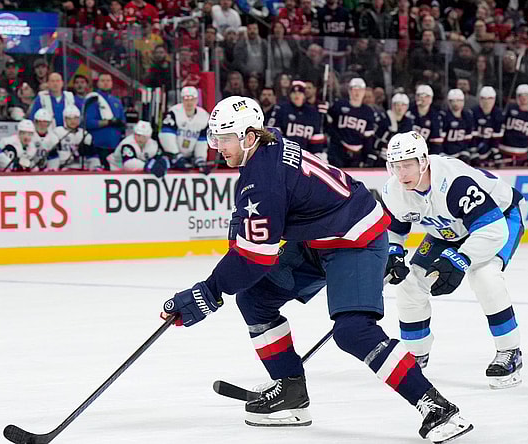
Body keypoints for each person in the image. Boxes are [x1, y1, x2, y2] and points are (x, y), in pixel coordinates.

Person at [161, 96, 473, 443]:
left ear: (249, 137)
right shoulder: (268, 144)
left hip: (355, 239)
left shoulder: (263, 177)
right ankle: (291, 393)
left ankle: (437, 407)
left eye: (224, 138)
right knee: (254, 299)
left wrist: (207, 293)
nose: (217, 146)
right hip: (320, 235)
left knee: (353, 331)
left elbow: (255, 258)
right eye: (214, 138)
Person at [382, 131, 524, 390]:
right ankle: (416, 354)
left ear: (423, 162)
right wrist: (393, 252)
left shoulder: (454, 182)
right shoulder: (394, 190)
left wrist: (460, 259)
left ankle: (510, 351)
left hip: (498, 219)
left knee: (484, 275)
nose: (401, 174)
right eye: (396, 166)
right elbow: (395, 229)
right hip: (447, 230)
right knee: (410, 282)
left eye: (407, 165)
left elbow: (492, 229)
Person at [326, 78, 380, 168]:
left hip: (357, 155)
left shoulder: (368, 112)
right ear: (350, 91)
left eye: (360, 90)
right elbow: (328, 124)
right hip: (337, 151)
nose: (357, 93)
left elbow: (368, 138)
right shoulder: (339, 105)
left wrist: (369, 154)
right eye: (355, 89)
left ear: (364, 92)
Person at [267, 81, 326, 156]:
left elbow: (316, 138)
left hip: (306, 156)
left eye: (300, 93)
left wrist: (317, 155)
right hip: (284, 154)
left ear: (304, 96)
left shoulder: (313, 112)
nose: (297, 95)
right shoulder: (281, 109)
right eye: (294, 93)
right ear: (290, 95)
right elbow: (272, 133)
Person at [159, 86, 210, 171]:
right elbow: (166, 136)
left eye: (192, 99)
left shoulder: (204, 116)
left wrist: (200, 159)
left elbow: (202, 141)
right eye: (186, 99)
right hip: (171, 156)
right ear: (182, 100)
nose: (189, 103)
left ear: (197, 100)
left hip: (189, 157)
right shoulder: (174, 112)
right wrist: (175, 155)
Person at [47, 105, 92, 171]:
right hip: (63, 169)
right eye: (69, 118)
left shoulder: (85, 134)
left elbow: (92, 155)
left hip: (82, 169)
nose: (72, 121)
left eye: (75, 118)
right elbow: (52, 154)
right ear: (65, 119)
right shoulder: (57, 132)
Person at [439, 89, 476, 163]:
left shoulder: (468, 116)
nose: (455, 103)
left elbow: (469, 139)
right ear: (449, 102)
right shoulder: (443, 116)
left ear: (463, 101)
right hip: (446, 152)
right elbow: (440, 141)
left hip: (461, 152)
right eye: (452, 101)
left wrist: (471, 152)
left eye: (458, 100)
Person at [471, 86, 504, 167]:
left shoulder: (498, 114)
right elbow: (471, 136)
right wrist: (473, 151)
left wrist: (495, 152)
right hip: (474, 151)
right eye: (483, 98)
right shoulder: (473, 112)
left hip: (489, 151)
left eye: (490, 98)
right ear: (480, 99)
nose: (486, 101)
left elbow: (497, 136)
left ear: (494, 99)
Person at [410, 85, 443, 155]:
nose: (422, 99)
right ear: (415, 97)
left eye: (426, 96)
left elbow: (436, 141)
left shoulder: (435, 116)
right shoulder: (408, 113)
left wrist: (432, 157)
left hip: (426, 152)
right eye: (419, 96)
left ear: (431, 98)